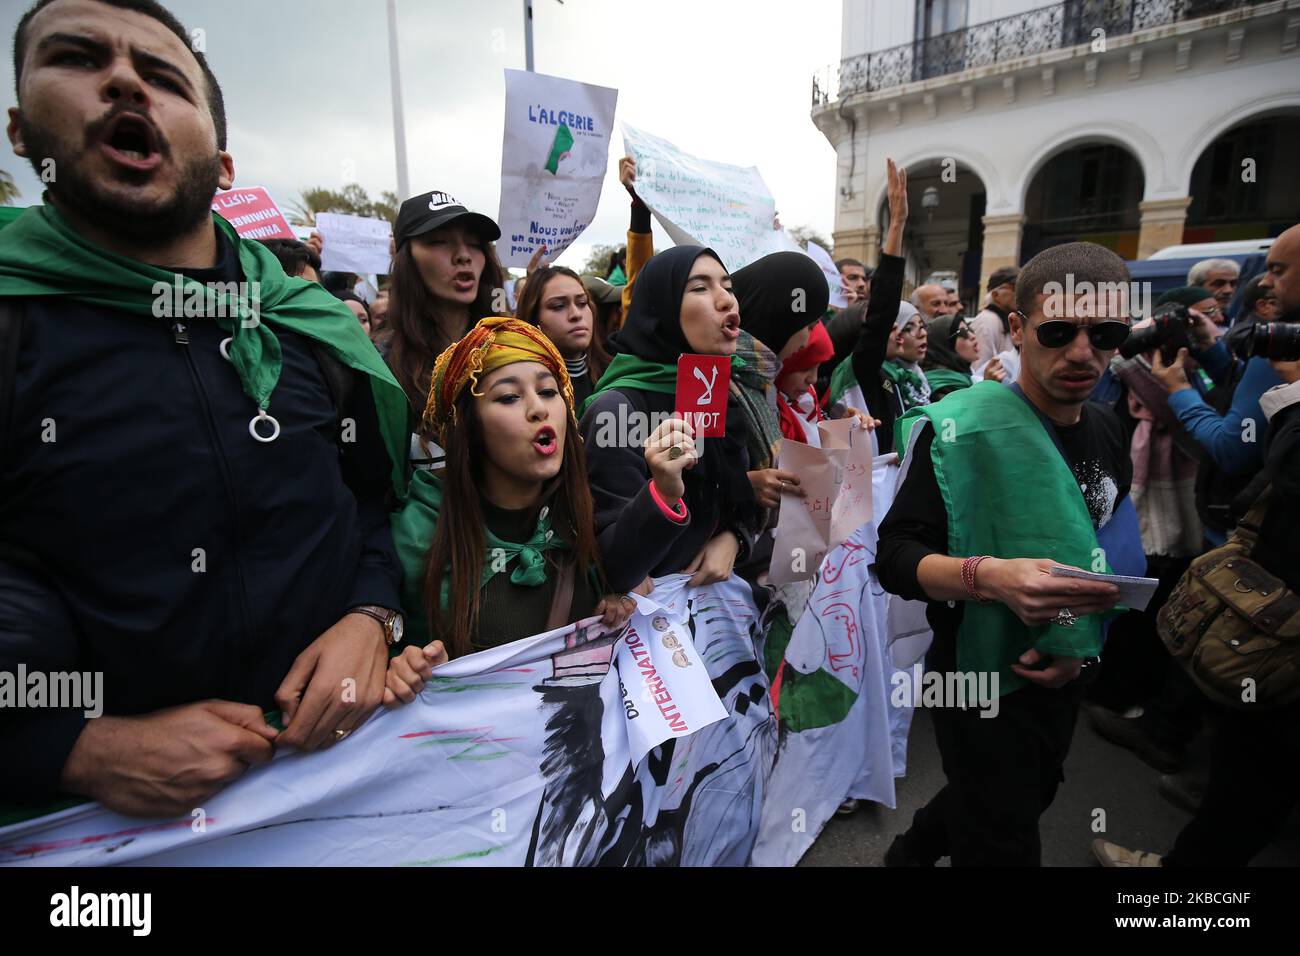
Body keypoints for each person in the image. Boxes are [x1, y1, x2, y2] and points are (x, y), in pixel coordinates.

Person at [0, 0, 409, 815]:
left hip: (343, 794)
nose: (123, 80)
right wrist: (70, 746)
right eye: (79, 59)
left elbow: (372, 507)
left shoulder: (313, 330)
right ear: (20, 131)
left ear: (222, 162)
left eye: (162, 76)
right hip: (84, 837)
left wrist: (375, 615)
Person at [877, 241, 1134, 866]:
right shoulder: (962, 427)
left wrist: (1074, 641)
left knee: (1030, 790)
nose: (1083, 352)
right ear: (1017, 328)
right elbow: (894, 558)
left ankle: (910, 853)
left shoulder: (1106, 427)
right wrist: (989, 577)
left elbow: (1101, 558)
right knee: (1005, 835)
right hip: (975, 675)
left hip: (1066, 666)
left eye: (1105, 333)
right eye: (1058, 331)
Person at [1094, 350, 1300, 867]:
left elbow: (1238, 450)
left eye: (1279, 272)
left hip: (1277, 612)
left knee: (1257, 756)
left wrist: (1182, 393)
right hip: (1261, 592)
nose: (1267, 289)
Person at [387, 317, 633, 673]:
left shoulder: (577, 520)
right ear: (468, 427)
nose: (538, 408)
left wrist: (611, 610)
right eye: (509, 397)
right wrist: (404, 668)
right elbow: (378, 661)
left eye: (549, 392)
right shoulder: (418, 534)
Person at [580, 245, 759, 594]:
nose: (726, 300)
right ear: (660, 309)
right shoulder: (615, 410)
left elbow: (733, 504)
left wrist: (734, 538)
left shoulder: (718, 393)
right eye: (700, 288)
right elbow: (611, 567)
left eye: (727, 286)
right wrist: (661, 495)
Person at [384, 190, 503, 415]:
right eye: (439, 242)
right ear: (406, 261)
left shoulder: (512, 347)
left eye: (474, 244)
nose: (463, 255)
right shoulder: (380, 368)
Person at [822, 158, 910, 454]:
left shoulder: (889, 373)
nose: (900, 333)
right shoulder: (856, 367)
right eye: (891, 327)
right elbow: (881, 313)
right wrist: (896, 224)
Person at [730, 250, 830, 510]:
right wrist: (742, 487)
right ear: (784, 315)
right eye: (808, 326)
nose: (807, 341)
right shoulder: (713, 378)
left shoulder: (760, 380)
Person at [515, 264, 599, 408]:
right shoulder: (518, 390)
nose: (576, 314)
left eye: (582, 303)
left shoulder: (615, 372)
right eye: (558, 306)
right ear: (533, 317)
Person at [921, 313, 1004, 400]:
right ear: (944, 345)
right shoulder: (941, 385)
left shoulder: (964, 376)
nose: (972, 336)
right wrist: (986, 388)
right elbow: (964, 411)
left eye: (970, 329)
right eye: (962, 332)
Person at [970, 266, 1018, 372]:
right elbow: (978, 371)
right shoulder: (986, 321)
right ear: (996, 295)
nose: (1020, 294)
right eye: (1015, 289)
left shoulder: (1009, 319)